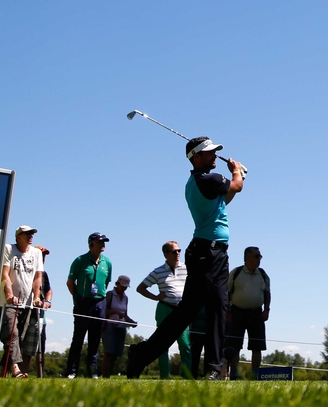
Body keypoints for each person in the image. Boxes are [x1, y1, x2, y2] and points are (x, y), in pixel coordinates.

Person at [127, 136, 245, 380]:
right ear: (195, 157)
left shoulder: (200, 182)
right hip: (208, 253)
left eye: (214, 151)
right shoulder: (207, 179)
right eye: (209, 152)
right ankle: (144, 354)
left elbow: (225, 199)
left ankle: (212, 368)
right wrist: (237, 172)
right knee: (192, 312)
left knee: (214, 309)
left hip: (214, 253)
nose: (214, 155)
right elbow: (236, 187)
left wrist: (236, 177)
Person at [137, 241, 191, 379]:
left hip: (182, 311)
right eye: (174, 251)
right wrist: (155, 297)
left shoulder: (187, 268)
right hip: (164, 309)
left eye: (179, 250)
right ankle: (164, 376)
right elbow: (141, 288)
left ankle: (187, 377)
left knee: (185, 345)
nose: (178, 253)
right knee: (162, 346)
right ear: (166, 254)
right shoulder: (158, 271)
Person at [65, 232, 113, 379]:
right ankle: (71, 371)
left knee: (95, 339)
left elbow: (106, 283)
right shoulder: (80, 260)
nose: (103, 244)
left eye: (104, 241)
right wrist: (77, 297)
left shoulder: (107, 262)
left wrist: (99, 296)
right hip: (83, 302)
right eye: (100, 242)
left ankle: (92, 371)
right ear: (91, 244)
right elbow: (70, 282)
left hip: (100, 302)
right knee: (78, 338)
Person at [0, 225, 44, 378]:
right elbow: (5, 274)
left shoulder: (37, 253)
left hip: (28, 302)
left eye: (32, 233)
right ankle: (15, 370)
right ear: (18, 236)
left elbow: (38, 277)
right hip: (10, 302)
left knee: (19, 339)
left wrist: (37, 297)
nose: (31, 236)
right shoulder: (8, 249)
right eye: (27, 233)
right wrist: (9, 294)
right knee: (12, 335)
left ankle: (3, 374)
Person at [225, 246, 271, 380]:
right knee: (235, 345)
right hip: (237, 313)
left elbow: (267, 293)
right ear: (247, 258)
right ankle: (233, 373)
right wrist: (228, 311)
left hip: (257, 314)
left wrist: (266, 309)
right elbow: (227, 293)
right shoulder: (236, 273)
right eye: (257, 256)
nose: (259, 259)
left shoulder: (263, 274)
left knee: (257, 346)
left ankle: (255, 375)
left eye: (260, 256)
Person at [102, 275, 136, 378]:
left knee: (116, 354)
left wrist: (131, 322)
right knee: (109, 352)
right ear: (118, 284)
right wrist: (115, 312)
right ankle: (104, 376)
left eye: (126, 287)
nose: (124, 288)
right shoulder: (110, 294)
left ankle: (109, 375)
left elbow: (125, 314)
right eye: (123, 286)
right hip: (109, 325)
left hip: (121, 326)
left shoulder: (126, 298)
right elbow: (103, 311)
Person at [34, 245, 53, 377]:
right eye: (41, 255)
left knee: (41, 347)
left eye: (45, 256)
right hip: (26, 313)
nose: (43, 258)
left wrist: (47, 301)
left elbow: (48, 290)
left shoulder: (44, 274)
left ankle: (39, 375)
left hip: (41, 316)